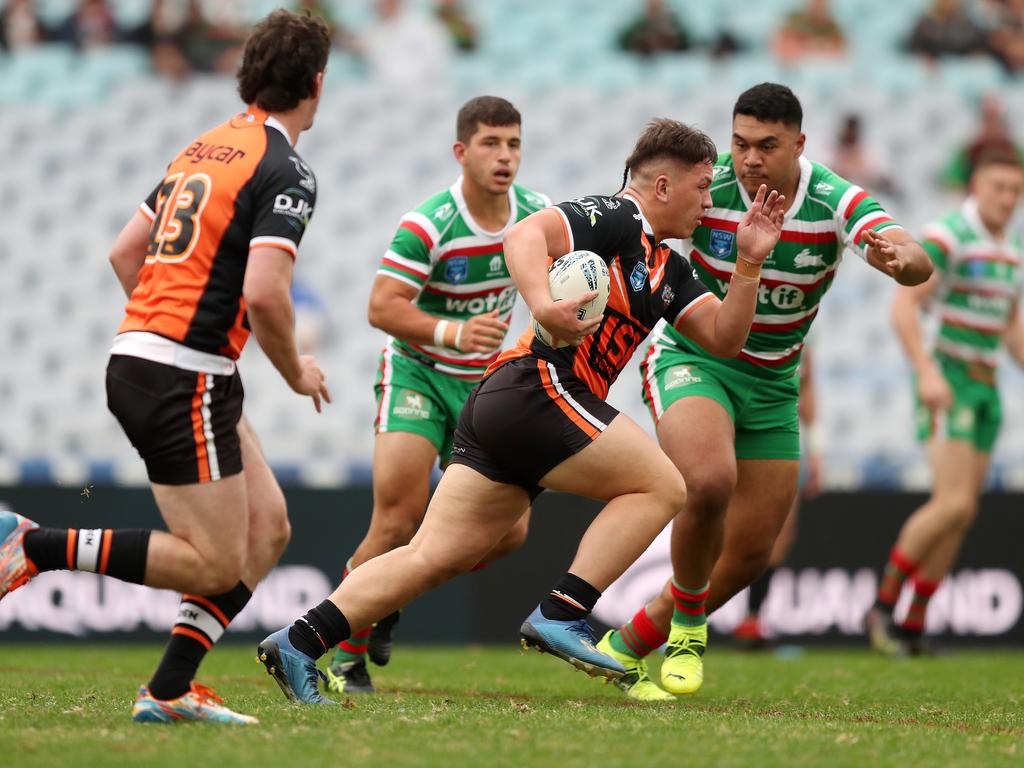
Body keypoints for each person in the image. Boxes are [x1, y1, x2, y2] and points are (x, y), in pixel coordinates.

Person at [255, 118, 786, 705]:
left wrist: (749, 264)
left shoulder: (670, 268)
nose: (710, 203)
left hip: (511, 401)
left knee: (433, 555)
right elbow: (523, 238)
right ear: (661, 186)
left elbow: (724, 339)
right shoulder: (616, 216)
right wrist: (545, 306)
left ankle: (298, 641)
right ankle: (564, 612)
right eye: (702, 187)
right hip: (538, 384)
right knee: (662, 486)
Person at [0, 10, 332, 725]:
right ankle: (31, 544)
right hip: (184, 371)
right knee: (214, 561)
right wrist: (297, 371)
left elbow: (126, 252)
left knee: (268, 528)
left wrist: (167, 328)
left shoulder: (206, 147)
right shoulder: (287, 168)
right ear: (315, 84)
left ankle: (171, 689)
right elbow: (266, 292)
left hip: (168, 360)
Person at [597, 83, 933, 701]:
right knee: (708, 480)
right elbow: (639, 219)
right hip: (694, 358)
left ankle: (628, 642)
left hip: (777, 382)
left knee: (753, 552)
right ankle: (690, 633)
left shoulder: (834, 199)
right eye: (740, 143)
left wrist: (900, 261)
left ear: (799, 145)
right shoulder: (709, 186)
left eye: (767, 146)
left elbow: (912, 256)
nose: (749, 159)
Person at [323, 96, 548, 695]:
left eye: (514, 144)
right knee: (396, 516)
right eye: (491, 144)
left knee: (512, 534)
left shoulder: (536, 217)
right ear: (461, 151)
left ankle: (391, 593)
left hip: (486, 386)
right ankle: (346, 654)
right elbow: (381, 307)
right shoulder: (429, 223)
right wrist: (452, 331)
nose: (505, 157)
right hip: (418, 373)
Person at [865, 150, 1023, 657]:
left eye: (1016, 190)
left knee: (963, 512)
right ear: (976, 185)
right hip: (949, 377)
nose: (1008, 198)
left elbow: (1009, 322)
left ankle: (914, 623)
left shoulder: (1013, 246)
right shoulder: (950, 234)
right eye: (1000, 187)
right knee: (951, 502)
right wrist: (927, 372)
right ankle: (882, 606)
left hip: (987, 384)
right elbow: (904, 304)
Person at [731, 346, 823, 648]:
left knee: (779, 535)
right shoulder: (740, 323)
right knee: (720, 528)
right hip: (737, 436)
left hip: (780, 436)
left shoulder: (800, 335)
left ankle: (753, 619)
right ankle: (681, 616)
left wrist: (816, 450)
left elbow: (807, 391)